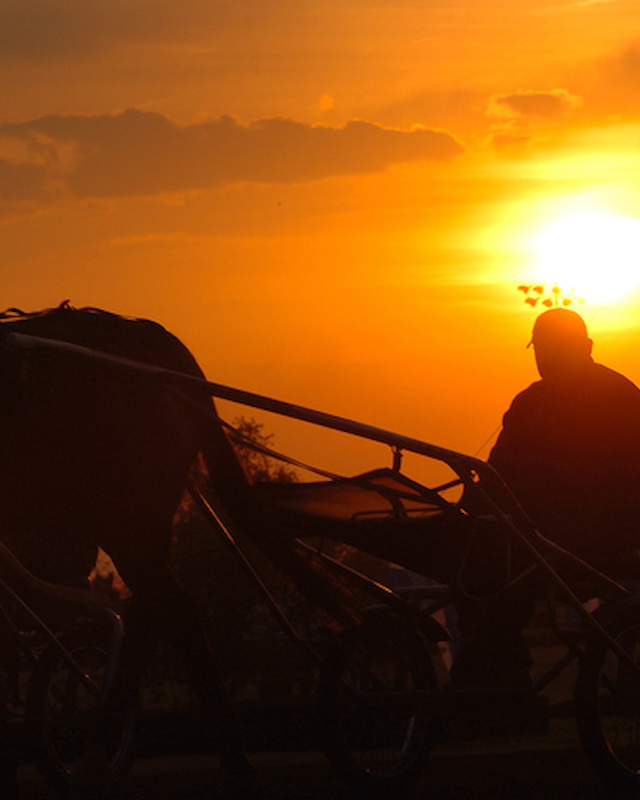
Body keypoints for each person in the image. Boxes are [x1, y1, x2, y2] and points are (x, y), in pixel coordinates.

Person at [489, 307, 640, 578]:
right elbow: (495, 475)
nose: (548, 356)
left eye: (558, 346)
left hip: (593, 536)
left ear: (587, 346)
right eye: (542, 347)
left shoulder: (620, 398)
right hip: (528, 532)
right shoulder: (528, 404)